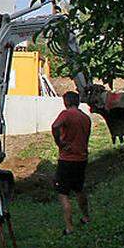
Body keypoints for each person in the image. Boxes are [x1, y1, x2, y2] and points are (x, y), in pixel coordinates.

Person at [52, 91, 92, 235]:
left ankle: (69, 227)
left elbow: (55, 126)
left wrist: (60, 143)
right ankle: (86, 217)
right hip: (81, 159)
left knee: (63, 193)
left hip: (67, 159)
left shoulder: (66, 114)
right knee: (79, 189)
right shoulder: (86, 118)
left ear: (66, 102)